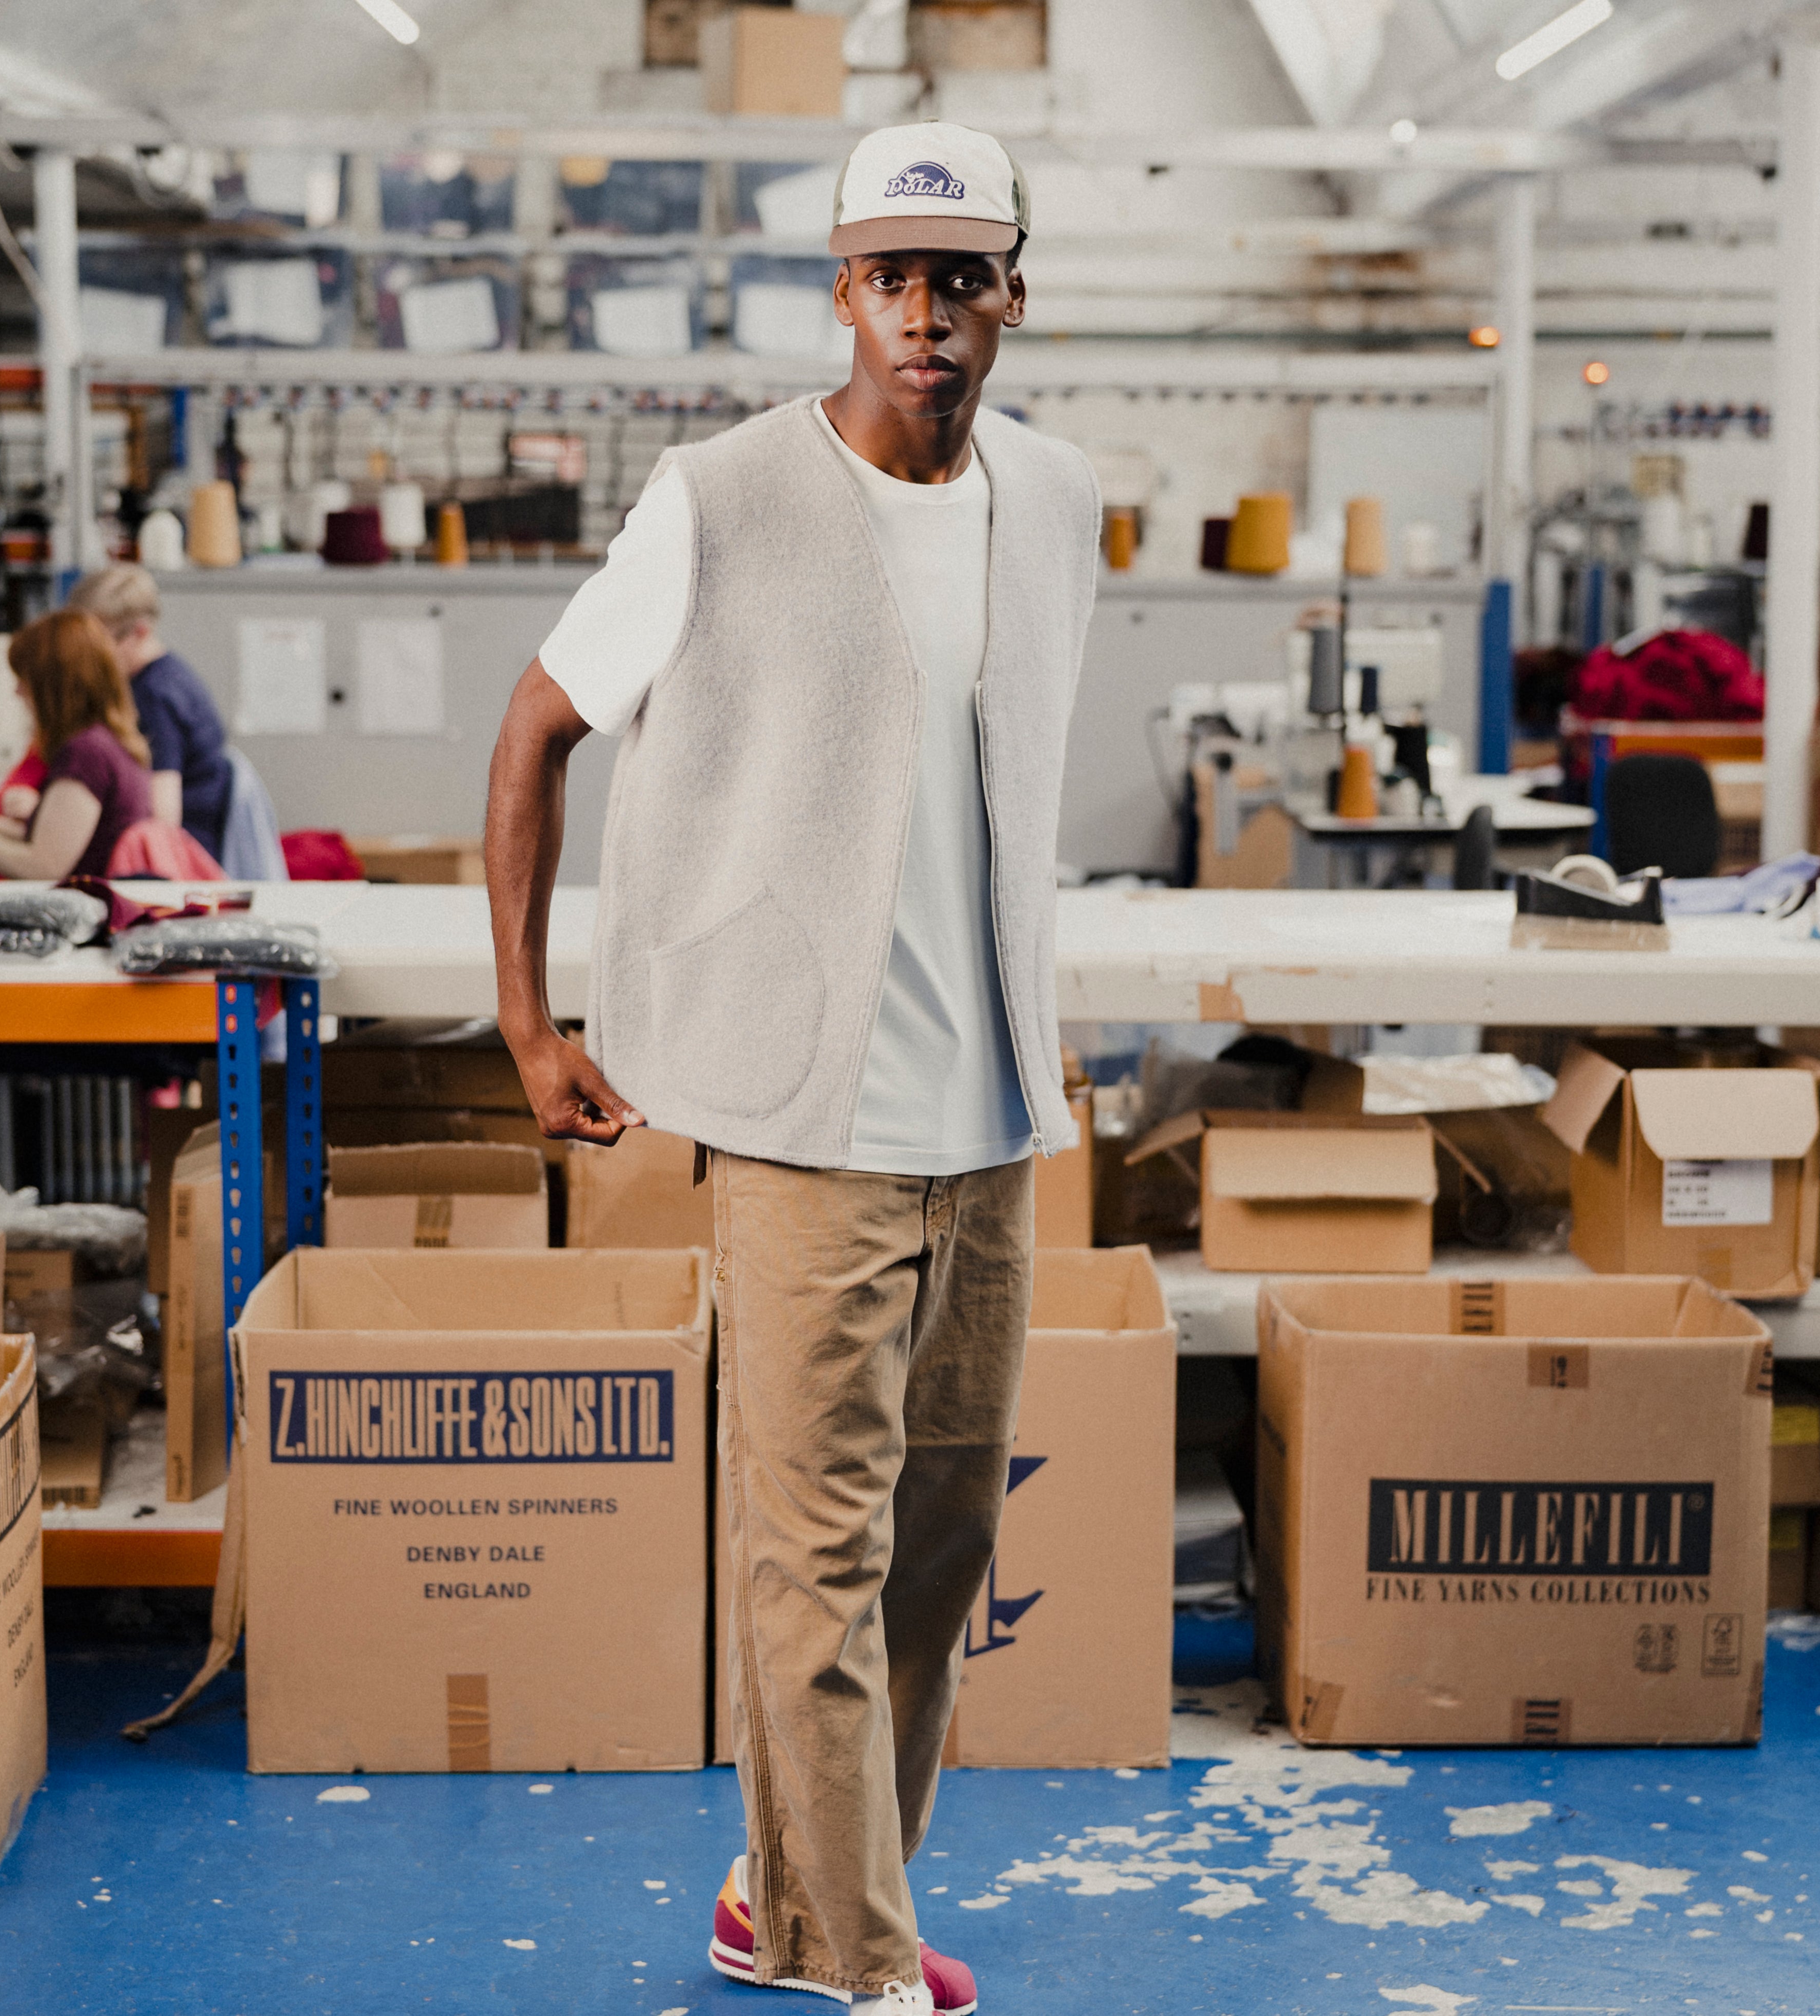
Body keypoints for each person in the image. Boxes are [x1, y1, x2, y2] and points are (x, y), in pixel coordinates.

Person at [487, 122, 1098, 2016]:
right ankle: (856, 1954)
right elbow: (532, 737)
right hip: (797, 1120)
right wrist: (527, 1022)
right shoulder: (720, 495)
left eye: (963, 277)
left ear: (1010, 292)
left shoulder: (1061, 503)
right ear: (841, 289)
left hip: (986, 1113)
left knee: (939, 1551)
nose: (927, 314)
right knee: (810, 1553)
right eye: (892, 278)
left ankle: (778, 1887)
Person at [0, 608, 152, 880]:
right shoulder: (109, 744)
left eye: (26, 680)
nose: (18, 692)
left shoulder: (88, 754)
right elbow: (46, 841)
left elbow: (44, 867)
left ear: (53, 687)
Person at [66, 562, 229, 859]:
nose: (88, 657)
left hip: (181, 865)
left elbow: (163, 821)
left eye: (101, 643)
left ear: (141, 631)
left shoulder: (154, 697)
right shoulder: (172, 674)